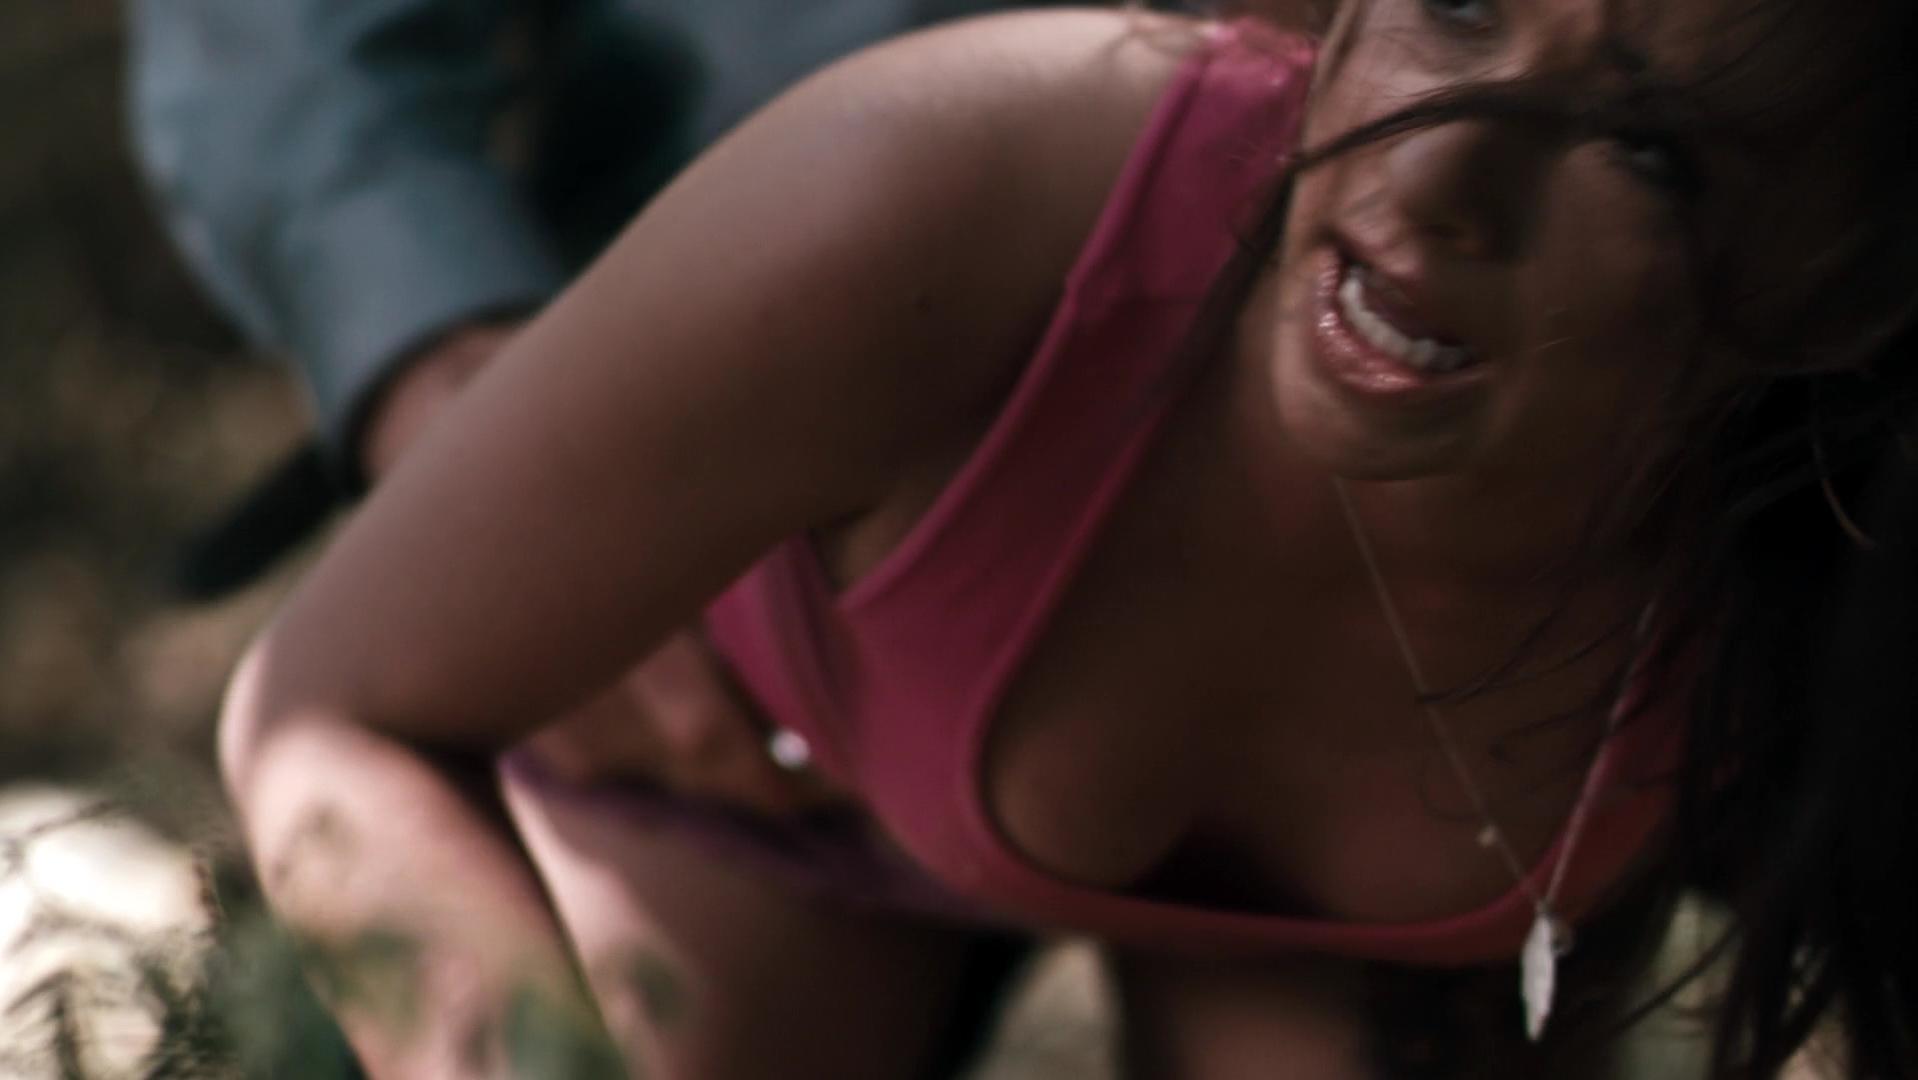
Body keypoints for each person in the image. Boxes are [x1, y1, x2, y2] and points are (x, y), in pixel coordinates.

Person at [214, 0, 1918, 1077]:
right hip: (744, 775)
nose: (1442, 182)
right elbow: (327, 708)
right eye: (1454, 3)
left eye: (1639, 146)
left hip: (1355, 969)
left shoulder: (1813, 569)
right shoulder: (939, 178)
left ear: (1849, 282)